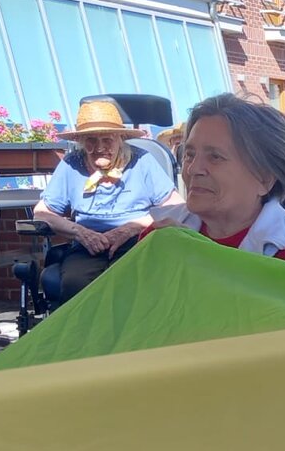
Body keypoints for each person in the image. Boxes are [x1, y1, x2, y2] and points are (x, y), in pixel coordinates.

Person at [147, 94, 285, 272]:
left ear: (264, 179)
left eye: (215, 157)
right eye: (189, 155)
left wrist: (197, 254)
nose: (193, 169)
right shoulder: (162, 232)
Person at [32, 99, 178, 302]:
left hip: (136, 241)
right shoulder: (71, 164)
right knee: (75, 285)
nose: (100, 147)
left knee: (131, 283)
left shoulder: (142, 161)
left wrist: (130, 228)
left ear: (120, 139)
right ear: (81, 142)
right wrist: (81, 233)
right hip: (87, 246)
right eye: (91, 140)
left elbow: (175, 206)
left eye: (107, 140)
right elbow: (42, 213)